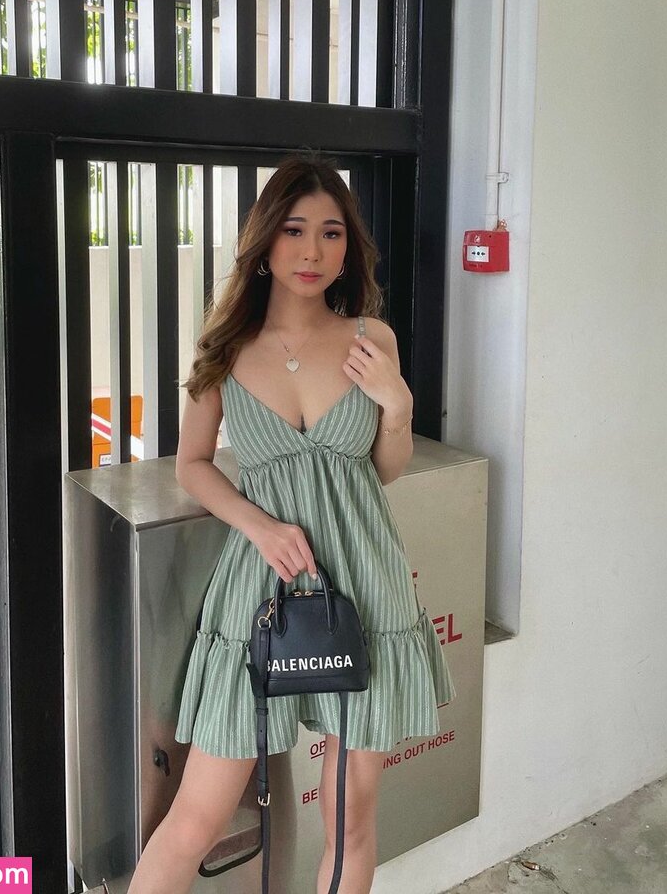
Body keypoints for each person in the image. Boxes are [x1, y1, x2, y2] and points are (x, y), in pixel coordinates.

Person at [128, 153, 456, 894]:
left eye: (331, 233)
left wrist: (398, 405)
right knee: (194, 818)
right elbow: (192, 465)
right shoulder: (226, 348)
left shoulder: (372, 340)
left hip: (364, 585)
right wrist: (259, 525)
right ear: (265, 241)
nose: (312, 251)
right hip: (262, 589)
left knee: (351, 821)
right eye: (295, 230)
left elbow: (381, 471)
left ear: (348, 248)